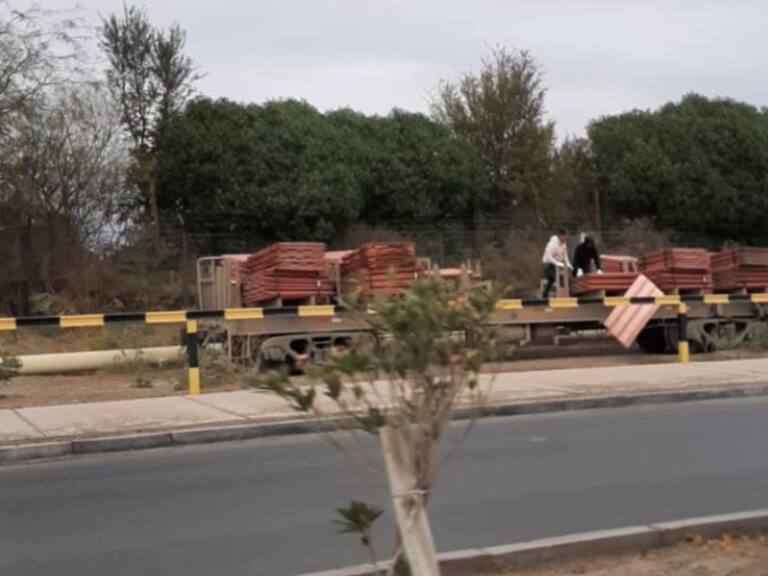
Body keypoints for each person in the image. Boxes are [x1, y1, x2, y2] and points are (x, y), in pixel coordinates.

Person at [541, 230, 572, 298]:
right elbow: (548, 256)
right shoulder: (552, 244)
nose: (565, 239)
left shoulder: (564, 244)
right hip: (548, 263)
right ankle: (561, 294)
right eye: (564, 237)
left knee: (552, 280)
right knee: (557, 278)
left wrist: (568, 264)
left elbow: (565, 255)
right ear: (560, 236)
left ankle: (545, 295)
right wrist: (556, 263)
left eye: (566, 238)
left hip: (557, 264)